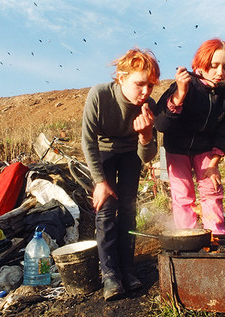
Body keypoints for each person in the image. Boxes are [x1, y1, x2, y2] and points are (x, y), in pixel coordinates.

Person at [81, 48, 160, 301]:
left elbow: (147, 156)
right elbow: (88, 141)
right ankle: (110, 275)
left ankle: (128, 270)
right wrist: (99, 182)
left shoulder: (149, 106)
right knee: (106, 211)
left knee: (128, 210)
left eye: (150, 85)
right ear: (121, 77)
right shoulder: (100, 95)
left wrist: (146, 136)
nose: (145, 92)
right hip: (103, 151)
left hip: (130, 154)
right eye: (140, 84)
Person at [154, 38, 225, 235]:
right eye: (214, 66)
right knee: (183, 196)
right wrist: (181, 93)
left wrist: (213, 164)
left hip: (206, 147)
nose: (220, 72)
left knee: (212, 190)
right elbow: (161, 124)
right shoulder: (185, 84)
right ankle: (187, 239)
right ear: (201, 65)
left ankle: (216, 238)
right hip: (176, 147)